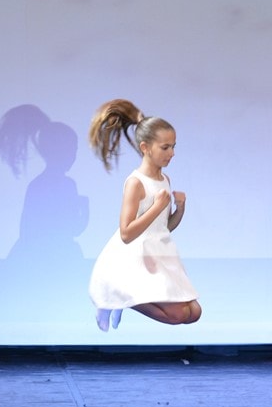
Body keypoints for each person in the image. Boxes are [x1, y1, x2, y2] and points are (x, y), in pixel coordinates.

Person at [85, 99, 202, 330]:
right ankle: (116, 297)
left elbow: (163, 227)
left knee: (194, 313)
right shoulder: (135, 183)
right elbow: (126, 233)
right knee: (177, 315)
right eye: (165, 148)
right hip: (136, 256)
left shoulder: (165, 180)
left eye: (173, 147)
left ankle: (120, 298)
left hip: (160, 252)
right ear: (145, 148)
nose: (172, 153)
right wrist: (156, 207)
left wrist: (180, 209)